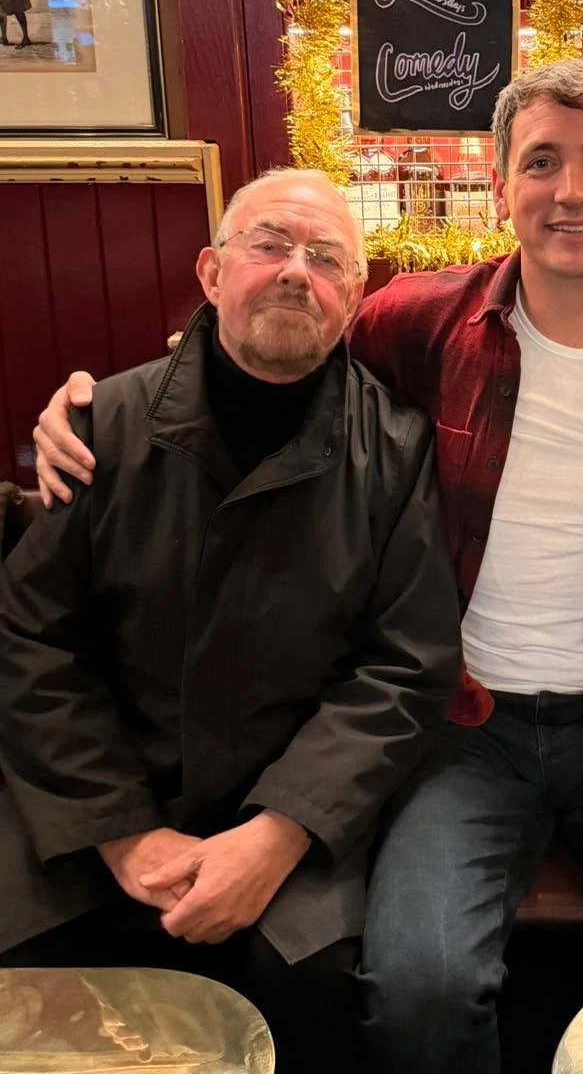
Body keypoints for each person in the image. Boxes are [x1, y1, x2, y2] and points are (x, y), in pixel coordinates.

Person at [33, 59, 583, 1074]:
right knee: (418, 992)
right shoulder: (421, 324)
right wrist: (92, 405)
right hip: (461, 731)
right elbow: (267, 351)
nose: (570, 190)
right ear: (501, 191)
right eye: (540, 162)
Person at [1, 169, 461, 1072]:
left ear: (355, 297)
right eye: (270, 244)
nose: (297, 271)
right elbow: (33, 640)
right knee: (34, 982)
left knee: (315, 989)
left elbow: (404, 666)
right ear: (212, 273)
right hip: (95, 802)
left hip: (292, 813)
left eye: (326, 257)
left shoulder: (397, 450)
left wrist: (276, 834)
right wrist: (122, 831)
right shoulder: (103, 426)